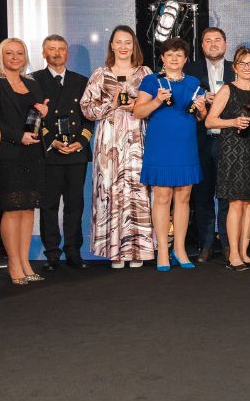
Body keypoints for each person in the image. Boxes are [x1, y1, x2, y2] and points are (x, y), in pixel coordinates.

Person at [80, 25, 155, 268]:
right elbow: (86, 109)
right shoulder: (100, 74)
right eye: (119, 42)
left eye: (128, 42)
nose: (123, 47)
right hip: (109, 141)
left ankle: (138, 250)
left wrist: (138, 106)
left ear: (134, 46)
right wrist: (110, 104)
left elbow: (157, 105)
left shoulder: (145, 73)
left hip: (137, 139)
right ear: (111, 45)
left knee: (138, 191)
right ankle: (115, 251)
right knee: (110, 191)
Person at [134, 38, 206, 271]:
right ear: (163, 58)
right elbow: (138, 111)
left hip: (186, 145)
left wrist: (202, 109)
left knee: (184, 197)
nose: (174, 58)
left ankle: (180, 249)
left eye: (179, 55)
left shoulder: (194, 82)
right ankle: (163, 251)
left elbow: (200, 117)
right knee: (162, 197)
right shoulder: (151, 81)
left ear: (185, 59)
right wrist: (157, 100)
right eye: (170, 54)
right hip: (161, 146)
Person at [0, 37, 48, 285]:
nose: (15, 57)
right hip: (8, 153)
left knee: (28, 209)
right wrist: (17, 137)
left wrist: (43, 114)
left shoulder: (32, 83)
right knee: (12, 210)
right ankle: (13, 262)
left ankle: (25, 261)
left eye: (19, 53)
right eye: (9, 53)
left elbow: (36, 115)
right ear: (1, 56)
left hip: (33, 153)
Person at [33, 35, 93, 272]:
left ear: (67, 53)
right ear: (44, 53)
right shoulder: (34, 80)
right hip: (49, 152)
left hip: (77, 153)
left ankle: (73, 252)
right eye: (52, 49)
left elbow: (89, 117)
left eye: (61, 49)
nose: (57, 53)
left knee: (74, 205)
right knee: (48, 206)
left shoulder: (82, 81)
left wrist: (80, 142)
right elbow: (32, 116)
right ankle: (52, 254)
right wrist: (52, 141)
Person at [204, 46, 250, 271]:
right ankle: (233, 255)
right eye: (243, 64)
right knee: (236, 203)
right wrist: (232, 122)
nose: (247, 68)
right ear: (235, 67)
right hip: (232, 153)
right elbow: (209, 121)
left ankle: (244, 252)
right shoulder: (227, 90)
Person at [186, 27, 233, 263]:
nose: (213, 44)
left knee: (227, 196)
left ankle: (227, 243)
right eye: (208, 40)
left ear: (225, 43)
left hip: (230, 142)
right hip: (201, 141)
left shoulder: (237, 68)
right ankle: (205, 245)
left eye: (217, 40)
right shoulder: (190, 71)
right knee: (202, 196)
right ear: (202, 45)